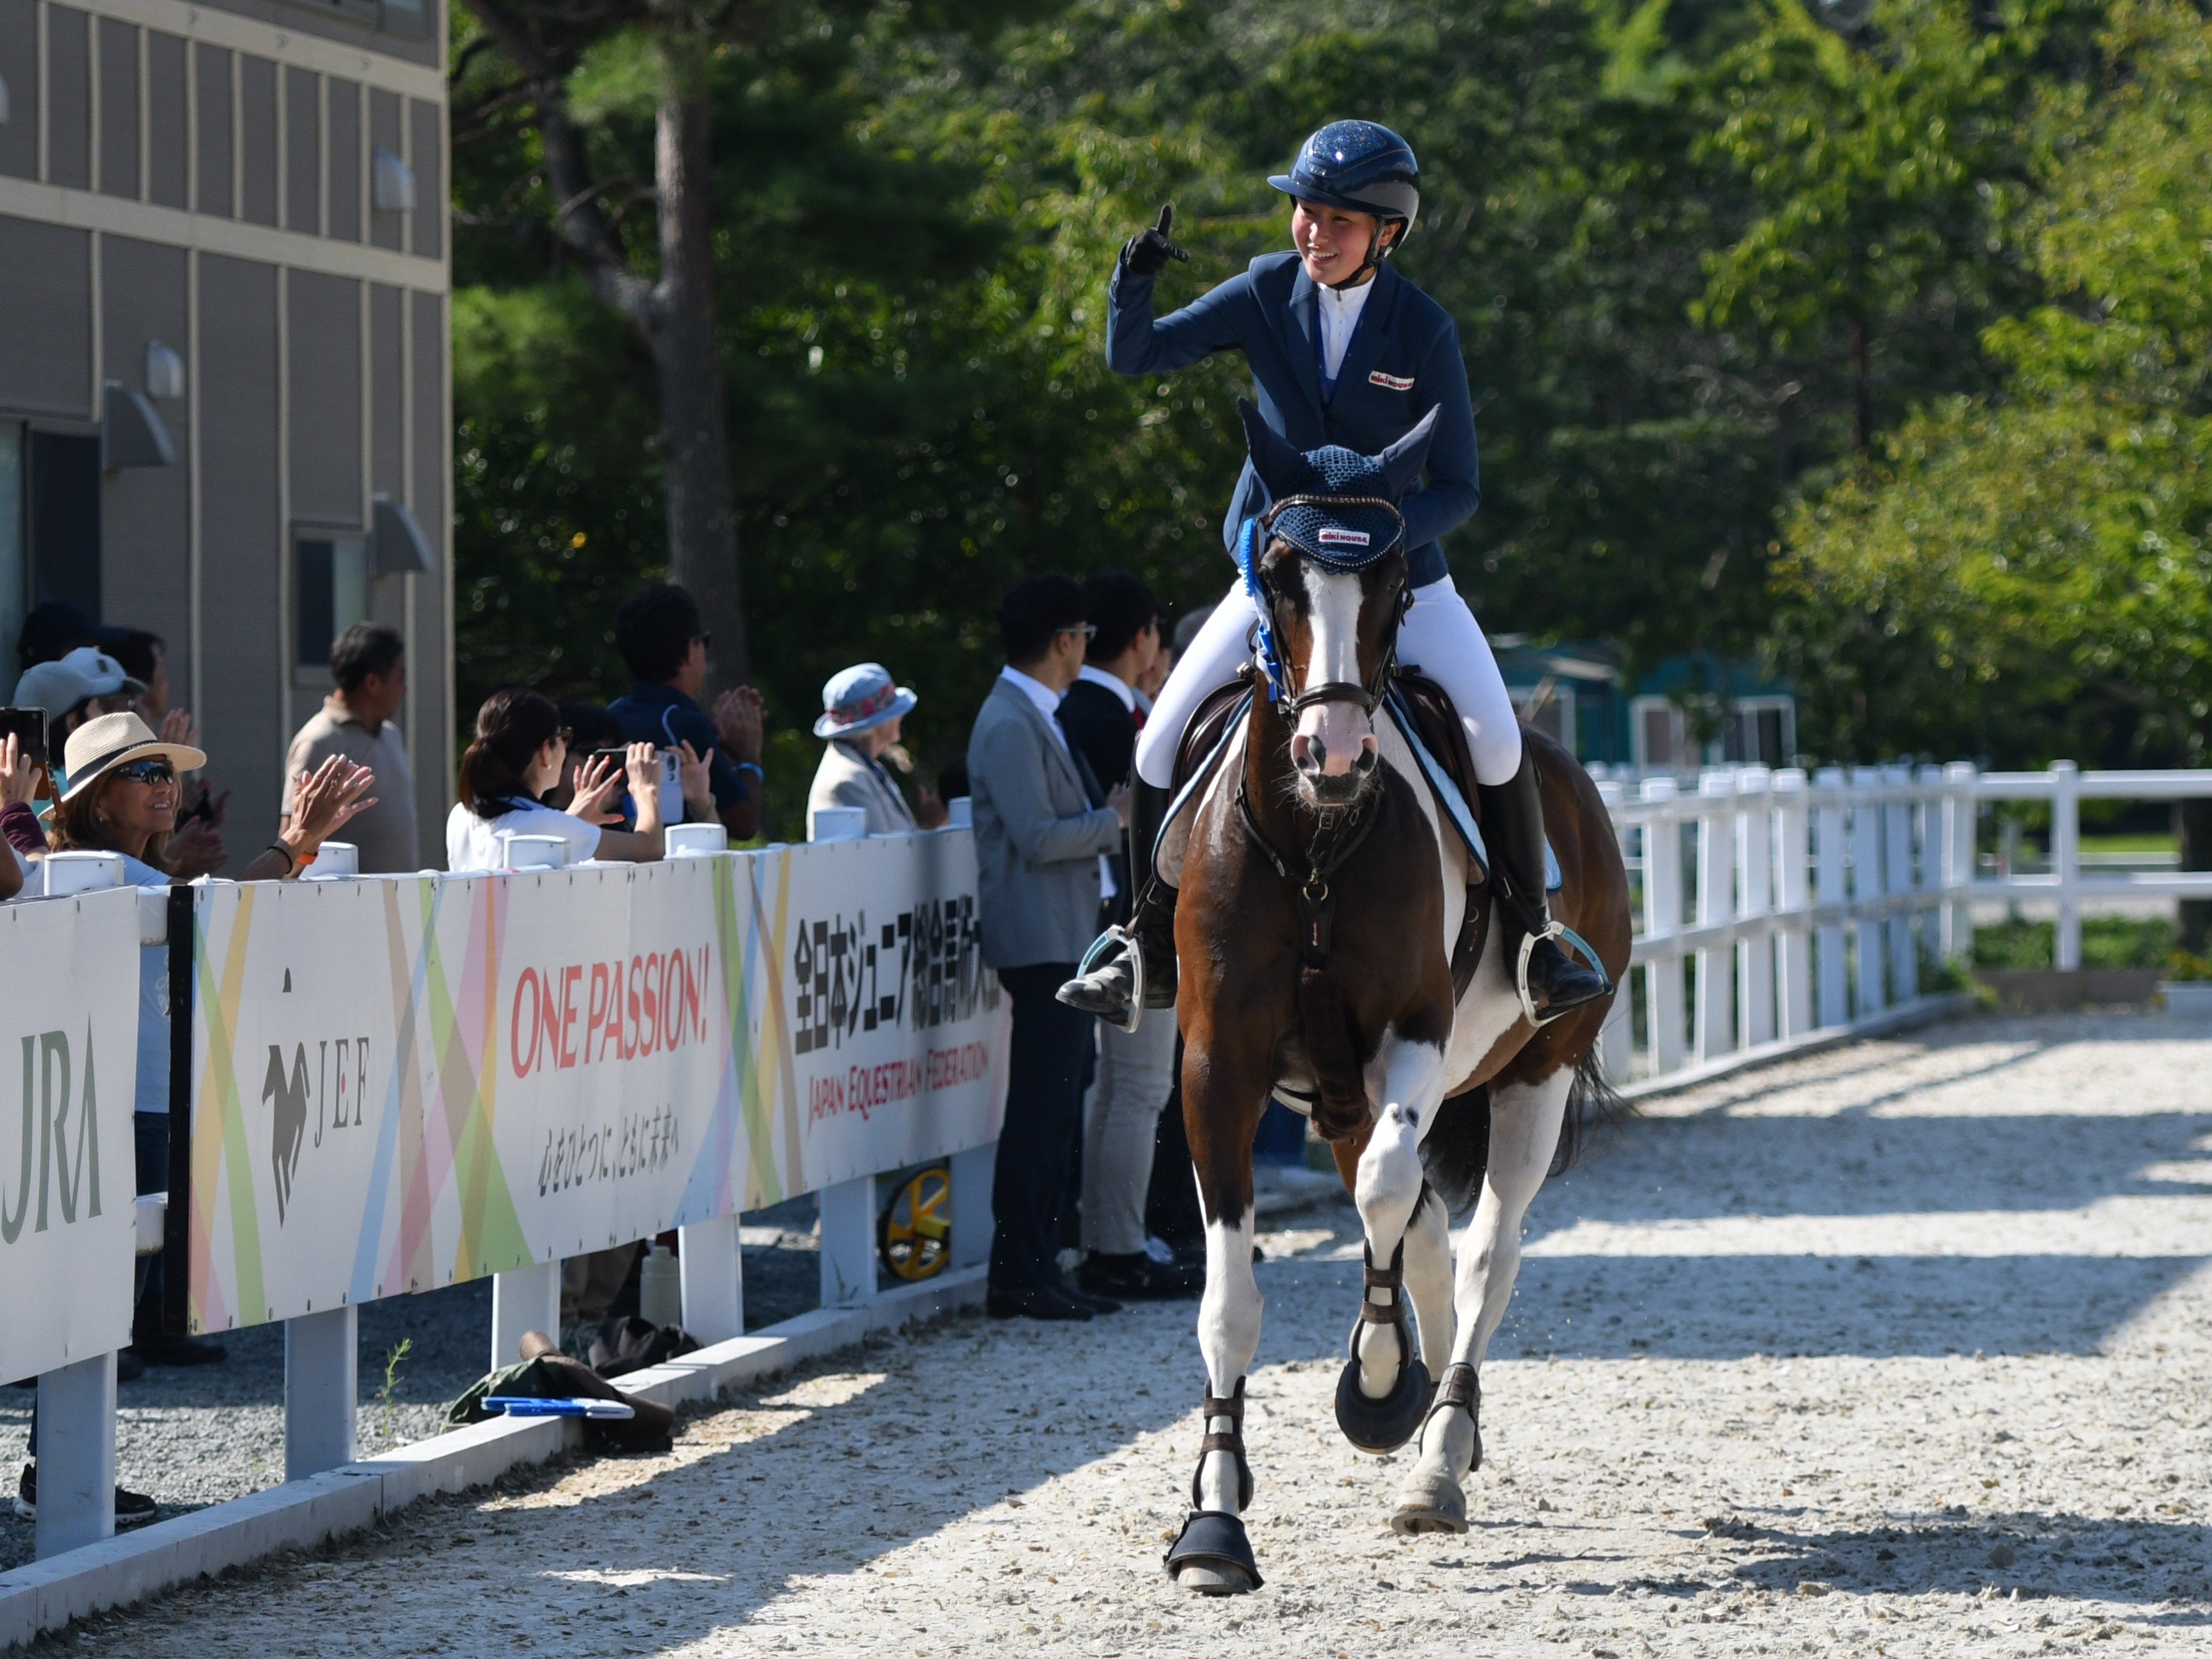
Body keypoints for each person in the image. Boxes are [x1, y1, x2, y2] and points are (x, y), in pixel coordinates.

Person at [1060, 120, 1608, 1029]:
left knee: (1499, 743)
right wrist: (1135, 274)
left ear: (1387, 233)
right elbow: (1136, 355)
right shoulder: (1264, 291)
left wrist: (1374, 538)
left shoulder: (1421, 328)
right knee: (1157, 743)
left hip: (1403, 585)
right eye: (1305, 213)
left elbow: (1460, 487)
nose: (1314, 232)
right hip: (1277, 586)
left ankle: (1533, 939)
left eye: (1340, 221)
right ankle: (1139, 942)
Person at [13, 711, 373, 1526]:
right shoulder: (94, 867)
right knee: (99, 1291)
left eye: (168, 773)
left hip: (137, 1097)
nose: (164, 787)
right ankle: (68, 1470)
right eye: (145, 773)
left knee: (109, 1289)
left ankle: (62, 1464)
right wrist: (296, 842)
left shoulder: (117, 866)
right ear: (98, 798)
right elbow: (218, 912)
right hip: (116, 1099)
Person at [968, 574, 1129, 1322]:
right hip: (1041, 943)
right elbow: (1036, 837)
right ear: (1064, 641)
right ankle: (1017, 1270)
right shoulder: (1009, 721)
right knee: (1040, 1111)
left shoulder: (1033, 713)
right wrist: (1112, 821)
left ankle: (1038, 1263)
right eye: (1083, 637)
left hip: (1064, 938)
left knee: (1058, 1108)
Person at [1055, 573, 1199, 1300]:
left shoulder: (1078, 709)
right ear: (1142, 636)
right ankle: (1116, 1245)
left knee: (1118, 1090)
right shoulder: (1115, 722)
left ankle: (1114, 1237)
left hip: (1104, 920)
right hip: (1133, 925)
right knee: (1135, 1089)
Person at [606, 584, 765, 842]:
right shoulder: (683, 724)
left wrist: (720, 747)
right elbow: (744, 823)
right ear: (691, 649)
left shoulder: (610, 716)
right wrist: (749, 756)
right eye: (705, 640)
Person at [446, 689, 667, 872]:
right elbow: (648, 849)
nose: (565, 746)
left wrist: (573, 820)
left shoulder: (460, 816)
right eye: (563, 737)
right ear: (545, 751)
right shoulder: (542, 825)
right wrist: (644, 788)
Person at [282, 623, 419, 873]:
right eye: (401, 677)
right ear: (373, 682)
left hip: (402, 907)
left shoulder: (391, 735)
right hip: (343, 909)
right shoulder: (318, 741)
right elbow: (288, 849)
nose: (404, 689)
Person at [806, 664, 947, 835]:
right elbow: (884, 854)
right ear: (877, 723)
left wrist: (932, 825)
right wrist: (931, 827)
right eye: (894, 710)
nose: (900, 716)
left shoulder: (863, 767)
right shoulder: (848, 780)